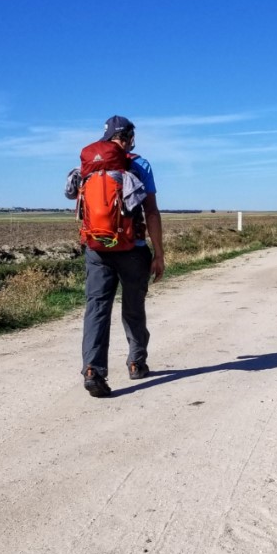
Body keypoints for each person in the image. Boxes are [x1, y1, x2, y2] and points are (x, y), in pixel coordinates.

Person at [81, 115, 165, 397]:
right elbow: (151, 212)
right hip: (133, 248)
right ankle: (136, 362)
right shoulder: (139, 164)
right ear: (129, 136)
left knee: (97, 308)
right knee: (133, 307)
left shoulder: (91, 163)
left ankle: (93, 369)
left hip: (96, 248)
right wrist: (159, 254)